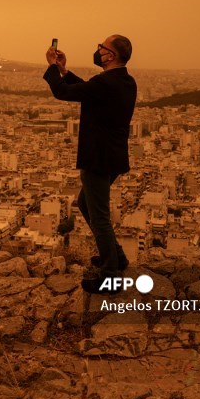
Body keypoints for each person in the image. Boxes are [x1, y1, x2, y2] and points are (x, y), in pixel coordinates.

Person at [44, 35, 137, 294]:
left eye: (102, 47)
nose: (98, 50)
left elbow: (62, 92)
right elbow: (88, 90)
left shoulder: (105, 83)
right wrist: (64, 71)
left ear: (111, 55)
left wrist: (52, 67)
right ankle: (117, 256)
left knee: (100, 216)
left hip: (98, 158)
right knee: (85, 203)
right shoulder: (125, 81)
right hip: (114, 157)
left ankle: (110, 276)